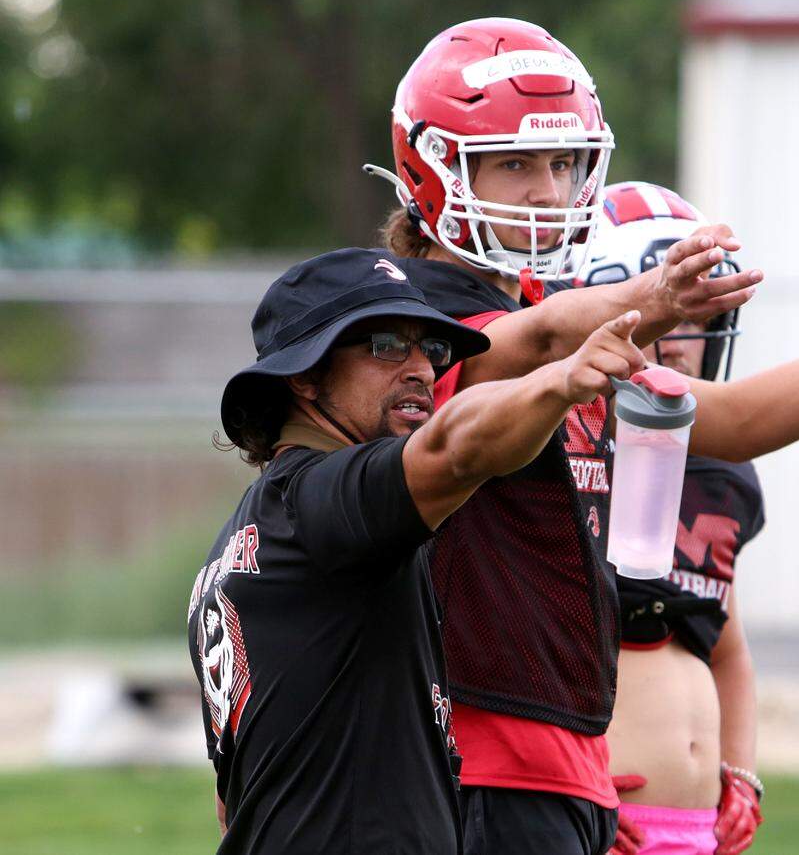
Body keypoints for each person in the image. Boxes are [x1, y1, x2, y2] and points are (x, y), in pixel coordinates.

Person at [364, 17, 799, 855]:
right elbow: (527, 346)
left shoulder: (546, 311)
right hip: (471, 761)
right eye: (513, 162)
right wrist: (650, 302)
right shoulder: (406, 318)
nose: (548, 190)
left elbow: (735, 421)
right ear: (432, 165)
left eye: (561, 162)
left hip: (567, 758)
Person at [188, 247, 648, 855]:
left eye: (430, 349)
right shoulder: (325, 500)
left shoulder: (241, 547)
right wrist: (559, 381)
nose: (423, 371)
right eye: (385, 346)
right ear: (303, 375)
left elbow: (235, 803)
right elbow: (453, 448)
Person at [574, 182, 766, 855]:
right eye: (674, 317)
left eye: (706, 322)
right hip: (592, 817)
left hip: (693, 827)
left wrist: (739, 772)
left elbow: (728, 650)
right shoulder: (561, 462)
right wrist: (565, 781)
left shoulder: (717, 471)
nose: (689, 343)